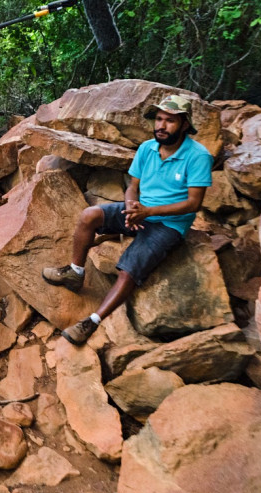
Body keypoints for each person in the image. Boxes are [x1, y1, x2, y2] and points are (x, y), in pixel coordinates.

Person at [42, 94, 213, 345]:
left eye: (170, 121)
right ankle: (76, 272)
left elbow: (193, 203)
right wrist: (132, 205)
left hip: (170, 224)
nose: (161, 126)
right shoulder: (147, 148)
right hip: (142, 211)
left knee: (128, 269)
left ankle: (92, 321)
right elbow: (133, 186)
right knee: (90, 215)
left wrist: (148, 213)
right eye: (159, 119)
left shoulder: (198, 156)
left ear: (185, 124)